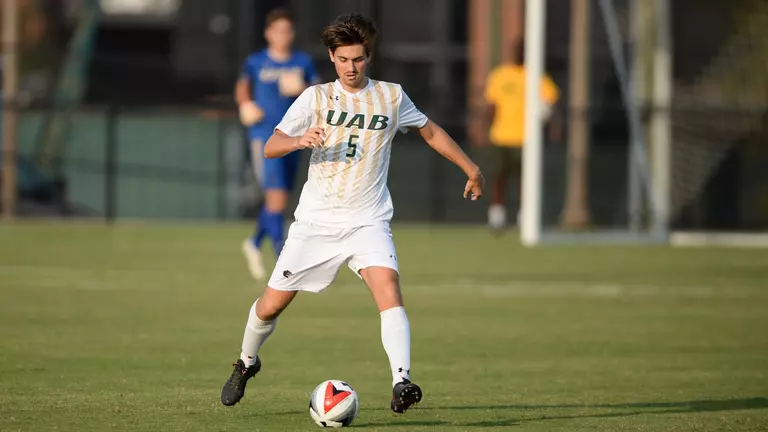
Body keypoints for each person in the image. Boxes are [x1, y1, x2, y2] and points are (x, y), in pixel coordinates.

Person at [220, 13, 485, 414]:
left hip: (368, 220)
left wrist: (471, 168)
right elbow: (270, 145)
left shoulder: (392, 96)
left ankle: (401, 382)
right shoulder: (316, 97)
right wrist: (298, 139)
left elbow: (429, 130)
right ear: (331, 57)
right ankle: (246, 362)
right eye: (343, 59)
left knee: (389, 290)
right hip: (316, 224)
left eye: (358, 59)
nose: (351, 67)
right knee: (271, 305)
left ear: (369, 57)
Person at [237, 9, 319, 280]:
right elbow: (242, 86)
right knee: (276, 197)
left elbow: (317, 92)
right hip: (265, 137)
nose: (283, 35)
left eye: (287, 30)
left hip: (295, 138)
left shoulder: (302, 61)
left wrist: (303, 90)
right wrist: (246, 104)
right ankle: (283, 255)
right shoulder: (256, 61)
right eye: (278, 30)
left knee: (280, 197)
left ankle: (254, 243)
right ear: (268, 33)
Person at [476, 40, 560, 231]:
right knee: (498, 177)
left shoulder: (537, 76)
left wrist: (553, 126)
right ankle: (497, 216)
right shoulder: (500, 75)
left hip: (527, 139)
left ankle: (525, 217)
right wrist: (482, 129)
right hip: (500, 136)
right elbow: (492, 105)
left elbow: (551, 102)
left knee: (525, 180)